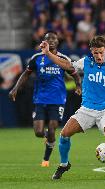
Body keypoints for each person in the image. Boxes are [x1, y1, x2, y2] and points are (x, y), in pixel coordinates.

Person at [40, 36, 105, 180]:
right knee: (64, 135)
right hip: (86, 109)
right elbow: (68, 66)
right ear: (91, 51)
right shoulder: (85, 62)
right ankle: (64, 164)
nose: (98, 56)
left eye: (101, 52)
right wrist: (49, 53)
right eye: (95, 53)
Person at [9, 31, 81, 167]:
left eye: (54, 38)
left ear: (58, 41)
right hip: (40, 99)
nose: (52, 41)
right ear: (44, 42)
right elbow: (26, 74)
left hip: (58, 99)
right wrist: (15, 88)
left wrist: (78, 86)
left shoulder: (63, 58)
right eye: (48, 39)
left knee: (53, 129)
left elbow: (75, 74)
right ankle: (48, 136)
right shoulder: (37, 58)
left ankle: (46, 159)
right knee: (38, 132)